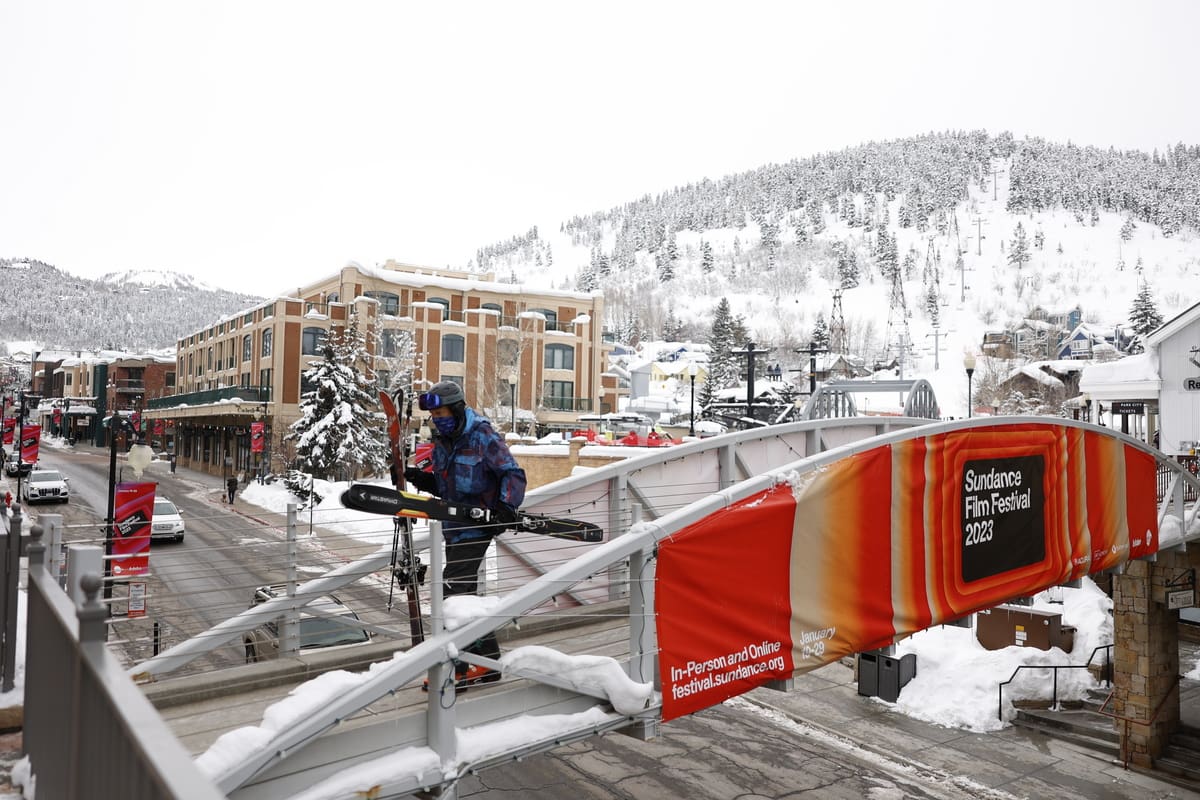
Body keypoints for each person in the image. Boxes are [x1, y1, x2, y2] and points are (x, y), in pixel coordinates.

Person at [405, 381, 526, 689]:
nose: (437, 418)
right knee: (463, 596)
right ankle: (486, 664)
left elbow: (512, 473)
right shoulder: (443, 441)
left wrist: (506, 506)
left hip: (477, 525)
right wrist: (422, 479)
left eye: (441, 412)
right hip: (454, 527)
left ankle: (462, 665)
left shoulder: (482, 435)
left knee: (451, 593)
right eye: (433, 414)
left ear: (456, 409)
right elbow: (448, 486)